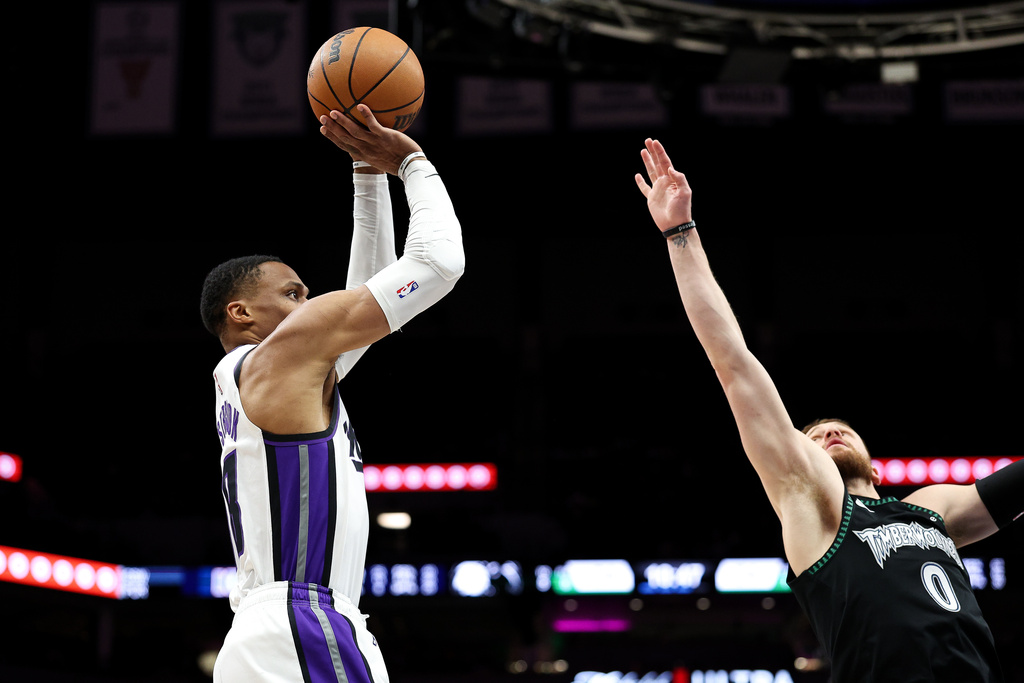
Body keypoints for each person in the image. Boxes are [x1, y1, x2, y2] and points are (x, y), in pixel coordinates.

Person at [634, 137, 1021, 682]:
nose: (830, 432)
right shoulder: (815, 504)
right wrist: (680, 233)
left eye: (840, 430)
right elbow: (733, 363)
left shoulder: (930, 512)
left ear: (875, 460)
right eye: (814, 436)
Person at [199, 104, 465, 683]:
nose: (308, 305)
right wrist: (411, 163)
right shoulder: (280, 358)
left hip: (272, 628)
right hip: (303, 620)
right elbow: (438, 264)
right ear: (241, 311)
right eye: (293, 294)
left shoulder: (262, 374)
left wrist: (366, 174)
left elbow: (369, 283)